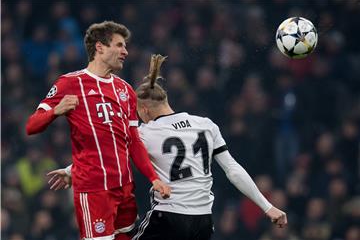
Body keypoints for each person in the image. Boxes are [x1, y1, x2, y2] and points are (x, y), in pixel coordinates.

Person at [48, 54, 288, 240]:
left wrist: (70, 171)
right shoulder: (206, 124)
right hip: (203, 221)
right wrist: (268, 207)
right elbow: (233, 170)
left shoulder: (145, 132)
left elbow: (106, 155)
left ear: (143, 109)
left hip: (169, 216)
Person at [26, 21, 171, 240]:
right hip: (94, 190)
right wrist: (56, 110)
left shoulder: (125, 90)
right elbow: (31, 126)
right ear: (100, 47)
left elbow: (133, 141)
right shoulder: (70, 83)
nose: (125, 51)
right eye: (119, 45)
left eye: (126, 46)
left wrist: (153, 178)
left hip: (124, 187)